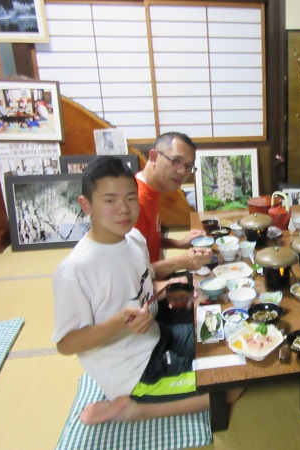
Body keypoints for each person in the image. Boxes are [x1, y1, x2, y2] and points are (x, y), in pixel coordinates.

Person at [52, 156, 241, 425]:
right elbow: (65, 344)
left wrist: (171, 289)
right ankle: (132, 409)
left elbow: (142, 281)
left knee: (232, 334)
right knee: (233, 384)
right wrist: (119, 322)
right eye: (110, 200)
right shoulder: (75, 270)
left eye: (130, 198)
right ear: (86, 205)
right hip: (136, 370)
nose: (123, 209)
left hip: (158, 335)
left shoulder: (133, 238)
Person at [135, 132, 210, 281]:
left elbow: (147, 240)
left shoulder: (153, 190)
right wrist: (181, 261)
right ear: (154, 157)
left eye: (188, 166)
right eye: (176, 161)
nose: (182, 172)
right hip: (145, 289)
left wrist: (179, 243)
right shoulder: (134, 202)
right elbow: (134, 276)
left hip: (155, 280)